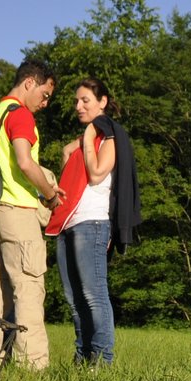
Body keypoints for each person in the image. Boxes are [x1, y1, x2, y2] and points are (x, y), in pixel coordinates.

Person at [45, 77, 141, 365]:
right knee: (73, 298)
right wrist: (71, 149)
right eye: (76, 100)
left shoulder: (108, 134)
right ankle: (82, 358)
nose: (78, 105)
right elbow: (67, 165)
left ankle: (102, 361)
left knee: (93, 294)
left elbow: (98, 173)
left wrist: (87, 139)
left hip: (93, 223)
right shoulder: (84, 138)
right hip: (68, 223)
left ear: (103, 102)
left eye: (85, 100)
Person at [0, 59, 63, 369]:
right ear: (29, 83)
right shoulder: (20, 115)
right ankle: (33, 366)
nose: (45, 102)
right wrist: (50, 195)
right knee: (28, 288)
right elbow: (25, 163)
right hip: (18, 211)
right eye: (45, 93)